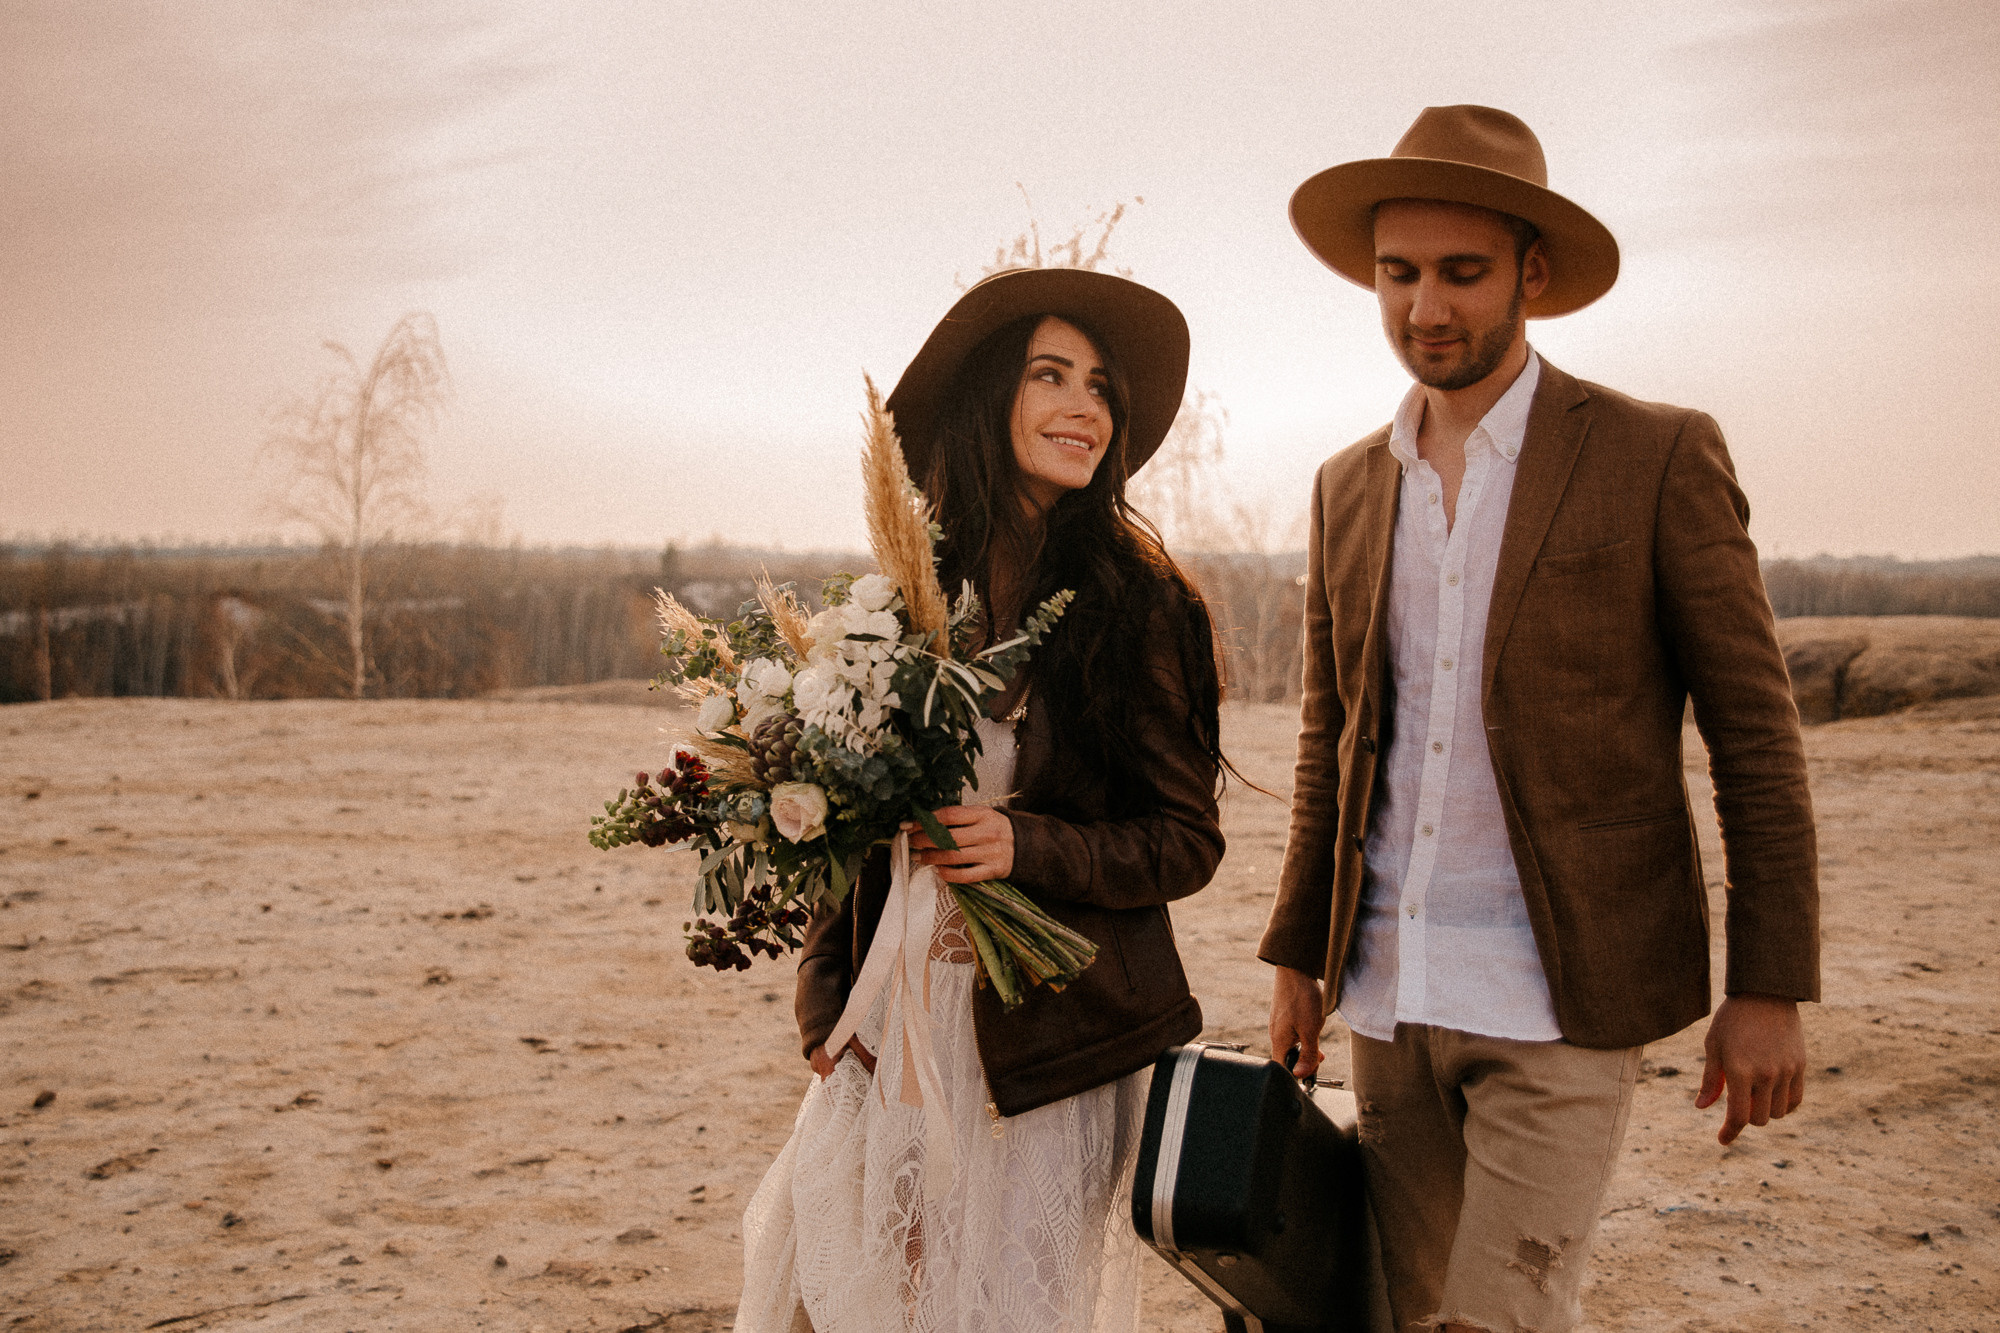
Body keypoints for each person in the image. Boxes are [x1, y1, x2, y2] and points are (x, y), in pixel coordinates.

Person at [1260, 106, 1820, 1333]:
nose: (1425, 307)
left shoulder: (1653, 454)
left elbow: (1755, 736)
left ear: (1534, 273)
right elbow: (1331, 738)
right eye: (1397, 274)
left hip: (1560, 994)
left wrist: (1767, 981)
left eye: (1460, 273)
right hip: (1386, 992)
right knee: (1408, 1313)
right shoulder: (1346, 485)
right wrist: (1295, 954)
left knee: (1496, 1318)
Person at [737, 266, 1229, 1333]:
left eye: (1099, 386)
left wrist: (1027, 844)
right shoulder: (903, 600)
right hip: (892, 1026)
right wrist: (823, 1003)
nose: (1081, 407)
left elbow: (1187, 841)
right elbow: (844, 828)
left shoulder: (1142, 607)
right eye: (1050, 376)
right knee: (823, 1295)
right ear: (988, 396)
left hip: (1053, 1051)